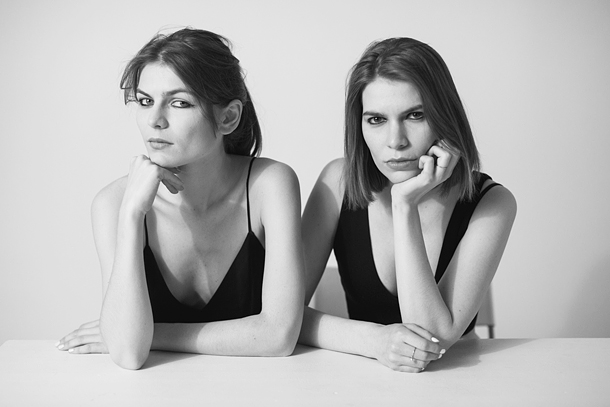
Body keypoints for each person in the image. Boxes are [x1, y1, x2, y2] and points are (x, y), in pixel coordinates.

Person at [56, 28, 305, 369]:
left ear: (228, 117)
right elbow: (129, 354)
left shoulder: (269, 185)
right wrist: (131, 215)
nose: (154, 120)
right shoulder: (113, 203)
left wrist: (152, 334)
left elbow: (278, 337)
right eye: (145, 101)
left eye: (179, 103)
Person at [298, 37, 517, 373]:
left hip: (457, 381)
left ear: (445, 117)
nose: (395, 141)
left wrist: (404, 204)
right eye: (376, 120)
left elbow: (431, 341)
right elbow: (280, 316)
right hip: (359, 380)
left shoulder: (491, 203)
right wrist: (374, 341)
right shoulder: (338, 182)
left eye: (415, 115)